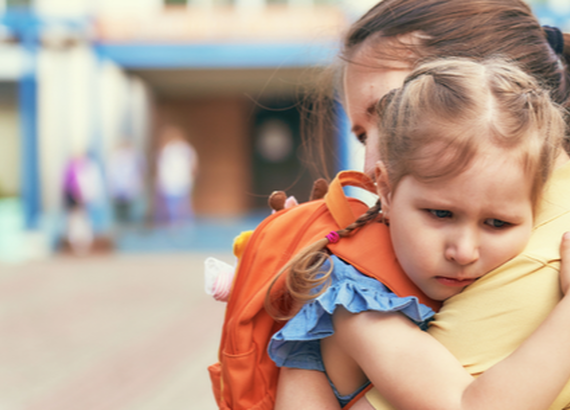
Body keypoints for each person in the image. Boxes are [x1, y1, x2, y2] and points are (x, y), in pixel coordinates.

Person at [288, 0, 570, 408]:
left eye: (391, 112)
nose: (370, 168)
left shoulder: (544, 249)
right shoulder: (360, 292)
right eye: (363, 136)